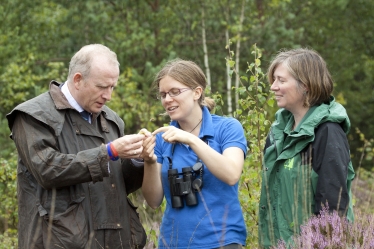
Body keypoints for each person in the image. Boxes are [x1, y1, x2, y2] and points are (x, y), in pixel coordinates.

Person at [6, 44, 147, 249]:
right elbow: (47, 170)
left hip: (115, 241)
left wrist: (137, 160)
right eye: (101, 87)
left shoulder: (112, 120)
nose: (108, 96)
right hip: (59, 243)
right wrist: (108, 152)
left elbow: (118, 185)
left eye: (112, 87)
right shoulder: (32, 117)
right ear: (78, 79)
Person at [140, 59, 247, 249]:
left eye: (175, 92)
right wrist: (149, 161)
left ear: (197, 92)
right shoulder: (162, 138)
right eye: (163, 94)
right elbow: (153, 201)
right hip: (173, 243)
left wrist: (190, 139)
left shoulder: (227, 128)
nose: (167, 100)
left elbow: (231, 174)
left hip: (222, 241)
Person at [258, 48, 355, 248]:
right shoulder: (278, 133)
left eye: (281, 80)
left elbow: (333, 210)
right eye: (273, 80)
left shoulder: (327, 132)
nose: (273, 87)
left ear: (306, 85)